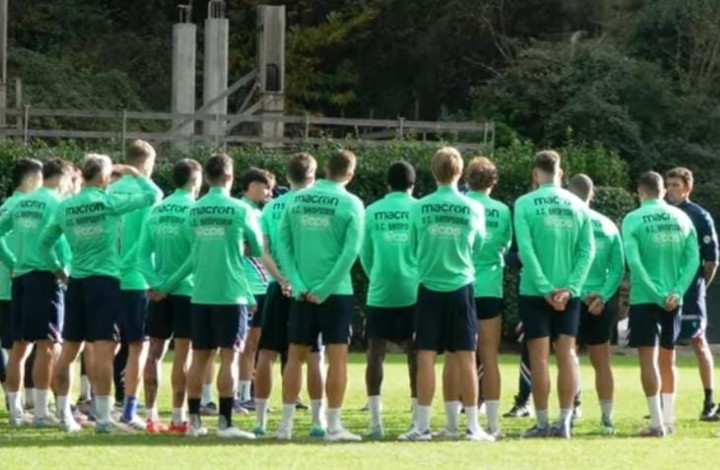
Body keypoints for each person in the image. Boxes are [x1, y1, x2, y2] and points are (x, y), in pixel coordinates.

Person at [40, 154, 160, 433]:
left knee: (69, 350)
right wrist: (132, 170)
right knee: (105, 350)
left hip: (76, 282)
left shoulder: (66, 206)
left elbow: (45, 243)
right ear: (105, 177)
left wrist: (59, 270)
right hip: (104, 282)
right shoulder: (108, 202)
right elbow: (152, 194)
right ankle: (104, 418)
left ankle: (64, 414)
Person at [158, 153, 263, 439]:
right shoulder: (241, 210)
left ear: (206, 178)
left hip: (200, 293)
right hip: (231, 294)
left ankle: (193, 422)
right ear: (230, 177)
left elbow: (193, 254)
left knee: (200, 357)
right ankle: (225, 423)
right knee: (229, 357)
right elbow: (256, 246)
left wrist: (166, 284)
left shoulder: (194, 210)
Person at [398, 147, 491, 442]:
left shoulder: (418, 206)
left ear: (433, 171)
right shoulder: (473, 207)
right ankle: (473, 426)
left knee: (426, 355)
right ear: (460, 172)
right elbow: (477, 246)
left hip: (428, 286)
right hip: (461, 285)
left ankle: (421, 426)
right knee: (466, 356)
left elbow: (412, 246)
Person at [277, 149, 365, 442]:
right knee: (337, 358)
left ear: (326, 169)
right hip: (335, 292)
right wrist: (326, 287)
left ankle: (285, 426)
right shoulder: (352, 202)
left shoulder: (298, 198)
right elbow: (350, 251)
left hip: (302, 291)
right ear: (350, 174)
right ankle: (334, 426)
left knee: (295, 356)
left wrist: (298, 283)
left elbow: (283, 243)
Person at [514, 150, 595, 439]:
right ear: (560, 173)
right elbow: (588, 250)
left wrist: (545, 287)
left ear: (536, 173)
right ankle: (565, 423)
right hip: (568, 293)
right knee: (568, 354)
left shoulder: (524, 203)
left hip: (536, 291)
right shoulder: (578, 204)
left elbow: (526, 250)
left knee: (538, 358)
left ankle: (543, 422)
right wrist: (571, 287)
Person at [253, 153, 326, 437]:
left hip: (278, 285)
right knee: (314, 355)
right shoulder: (320, 204)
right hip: (309, 287)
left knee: (267, 352)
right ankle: (318, 422)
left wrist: (280, 277)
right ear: (314, 175)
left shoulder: (272, 207)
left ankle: (261, 421)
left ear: (288, 176)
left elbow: (263, 249)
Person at [622, 171, 699, 437]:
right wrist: (676, 292)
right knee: (669, 359)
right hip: (673, 299)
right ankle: (669, 419)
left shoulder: (633, 219)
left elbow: (634, 262)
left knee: (648, 360)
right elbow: (693, 261)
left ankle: (656, 422)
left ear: (640, 192)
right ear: (663, 191)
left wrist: (654, 292)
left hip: (646, 298)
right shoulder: (682, 218)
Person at [138, 159, 203, 433]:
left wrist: (156, 283)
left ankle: (151, 416)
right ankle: (178, 417)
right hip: (186, 290)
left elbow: (141, 255)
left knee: (154, 352)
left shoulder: (156, 209)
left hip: (158, 293)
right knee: (183, 355)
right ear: (195, 181)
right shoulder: (195, 210)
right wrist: (170, 283)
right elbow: (193, 256)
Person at [360, 161, 419, 438]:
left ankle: (375, 421)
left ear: (387, 183)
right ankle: (417, 419)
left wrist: (378, 276)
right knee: (416, 353)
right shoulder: (419, 209)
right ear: (413, 185)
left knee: (375, 353)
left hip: (380, 289)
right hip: (414, 290)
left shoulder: (372, 211)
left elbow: (365, 253)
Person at [108, 140, 163, 429]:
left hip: (105, 276)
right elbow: (146, 239)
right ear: (147, 163)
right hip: (134, 278)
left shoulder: (109, 190)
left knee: (104, 345)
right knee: (137, 346)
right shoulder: (149, 192)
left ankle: (100, 406)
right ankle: (129, 409)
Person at [568, 174, 625, 435]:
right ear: (593, 194)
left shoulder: (569, 223)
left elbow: (564, 263)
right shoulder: (608, 225)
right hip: (601, 302)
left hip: (573, 299)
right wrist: (602, 295)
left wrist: (579, 293)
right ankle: (607, 418)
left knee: (569, 356)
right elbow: (618, 268)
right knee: (602, 361)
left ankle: (568, 413)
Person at [664, 167, 719, 420]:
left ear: (688, 188)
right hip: (664, 288)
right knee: (666, 345)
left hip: (691, 292)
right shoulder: (661, 215)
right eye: (668, 184)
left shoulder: (699, 216)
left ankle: (709, 401)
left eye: (675, 185)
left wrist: (699, 287)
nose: (670, 189)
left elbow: (711, 261)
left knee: (698, 342)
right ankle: (665, 403)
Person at [464, 156, 512, 438]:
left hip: (462, 284)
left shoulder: (462, 204)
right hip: (490, 287)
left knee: (462, 355)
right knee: (490, 356)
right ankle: (493, 424)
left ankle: (461, 419)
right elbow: (505, 246)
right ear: (493, 182)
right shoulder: (503, 210)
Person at [0, 158, 45, 425]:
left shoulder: (8, 204)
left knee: (17, 345)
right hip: (14, 284)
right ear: (30, 180)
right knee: (22, 344)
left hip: (9, 285)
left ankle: (22, 399)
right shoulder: (24, 207)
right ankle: (21, 398)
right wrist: (14, 264)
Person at [236, 167, 273, 410]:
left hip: (260, 282)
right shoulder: (244, 211)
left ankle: (249, 391)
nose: (269, 192)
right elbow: (248, 247)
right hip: (250, 283)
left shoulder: (258, 212)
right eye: (266, 186)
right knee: (249, 343)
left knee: (256, 342)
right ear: (253, 186)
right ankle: (242, 393)